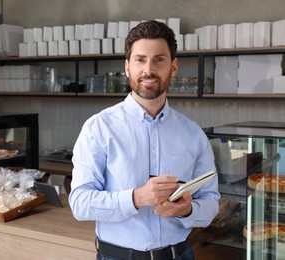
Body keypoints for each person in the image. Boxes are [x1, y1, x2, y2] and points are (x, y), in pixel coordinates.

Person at [68, 20, 220, 260]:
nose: (148, 69)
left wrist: (188, 209)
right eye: (140, 59)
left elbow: (211, 201)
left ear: (174, 66)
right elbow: (80, 202)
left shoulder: (193, 134)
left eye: (159, 59)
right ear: (127, 67)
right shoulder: (99, 128)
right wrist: (137, 198)